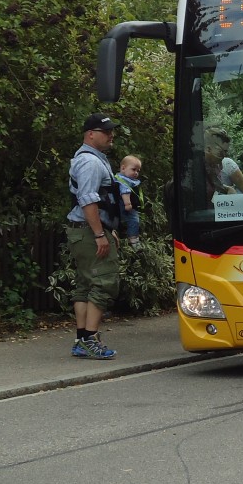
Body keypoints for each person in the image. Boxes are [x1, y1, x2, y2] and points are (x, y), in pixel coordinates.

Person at [66, 113, 122, 360]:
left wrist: (108, 230)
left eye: (111, 131)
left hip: (83, 231)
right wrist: (100, 234)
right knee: (104, 282)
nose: (111, 136)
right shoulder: (90, 162)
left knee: (86, 285)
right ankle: (89, 340)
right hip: (89, 233)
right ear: (91, 134)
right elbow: (88, 199)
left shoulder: (92, 159)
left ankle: (82, 340)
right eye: (106, 132)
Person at [204, 126, 243, 196]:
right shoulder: (193, 167)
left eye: (226, 152)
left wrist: (227, 190)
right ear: (208, 149)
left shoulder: (218, 165)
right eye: (221, 152)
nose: (224, 156)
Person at [114, 155, 143, 244]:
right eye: (133, 169)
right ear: (123, 168)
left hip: (119, 206)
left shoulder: (120, 178)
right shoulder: (125, 181)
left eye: (138, 171)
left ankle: (121, 237)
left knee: (119, 222)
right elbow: (125, 191)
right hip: (126, 205)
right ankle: (134, 240)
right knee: (134, 220)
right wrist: (128, 204)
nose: (136, 173)